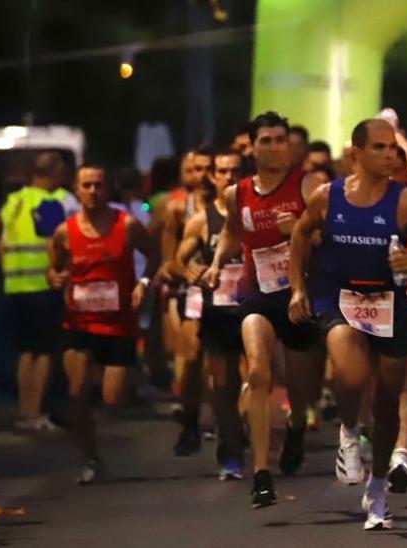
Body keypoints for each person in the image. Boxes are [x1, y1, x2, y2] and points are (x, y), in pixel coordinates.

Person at [289, 117, 407, 530]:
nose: (390, 155)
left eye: (392, 147)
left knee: (389, 400)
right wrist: (297, 289)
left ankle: (377, 489)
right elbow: (300, 236)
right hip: (339, 297)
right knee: (352, 375)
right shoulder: (327, 196)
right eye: (379, 147)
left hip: (388, 300)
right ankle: (347, 432)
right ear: (356, 154)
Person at [203, 111, 323, 509]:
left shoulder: (307, 185)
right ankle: (261, 472)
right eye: (266, 140)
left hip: (300, 295)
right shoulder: (238, 192)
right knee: (257, 372)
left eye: (280, 139)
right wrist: (219, 262)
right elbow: (233, 230)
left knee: (301, 388)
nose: (274, 147)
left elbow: (330, 237)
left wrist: (301, 232)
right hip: (257, 294)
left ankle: (295, 426)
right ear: (251, 146)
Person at [47, 165, 159, 484]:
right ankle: (91, 458)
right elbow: (52, 269)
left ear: (107, 189)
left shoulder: (128, 225)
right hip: (79, 323)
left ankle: (109, 390)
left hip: (119, 324)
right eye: (87, 185)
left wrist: (143, 282)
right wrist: (54, 278)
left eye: (98, 185)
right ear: (77, 190)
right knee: (76, 391)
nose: (93, 191)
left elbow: (154, 254)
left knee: (112, 400)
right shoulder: (65, 232)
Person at [170, 147, 248, 480]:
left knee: (258, 376)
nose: (229, 177)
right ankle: (231, 447)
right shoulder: (202, 220)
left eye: (235, 171)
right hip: (218, 312)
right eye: (223, 172)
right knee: (223, 383)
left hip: (253, 309)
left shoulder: (256, 215)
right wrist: (186, 271)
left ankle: (239, 435)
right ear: (213, 177)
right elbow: (175, 261)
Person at [0, 151, 76, 432]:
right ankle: (36, 413)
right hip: (43, 286)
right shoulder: (51, 202)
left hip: (15, 286)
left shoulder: (14, 201)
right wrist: (60, 274)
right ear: (55, 173)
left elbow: (1, 245)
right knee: (43, 352)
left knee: (25, 351)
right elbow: (52, 245)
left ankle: (24, 411)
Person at [157, 149, 211, 456]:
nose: (201, 175)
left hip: (229, 289)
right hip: (188, 292)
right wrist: (184, 270)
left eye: (207, 168)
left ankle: (232, 426)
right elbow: (169, 262)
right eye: (195, 168)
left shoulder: (233, 203)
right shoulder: (177, 208)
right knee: (190, 357)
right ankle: (190, 423)